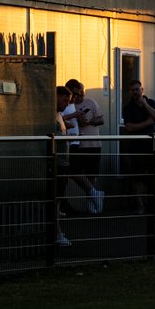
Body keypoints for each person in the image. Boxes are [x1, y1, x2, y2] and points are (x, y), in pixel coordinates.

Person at [121, 79, 155, 214]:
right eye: (132, 90)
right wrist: (147, 123)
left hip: (151, 144)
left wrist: (145, 105)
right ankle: (140, 205)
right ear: (129, 92)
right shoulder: (128, 108)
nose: (135, 92)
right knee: (137, 177)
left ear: (142, 90)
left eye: (137, 89)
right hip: (136, 146)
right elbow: (129, 127)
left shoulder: (150, 102)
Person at [65, 79, 104, 214]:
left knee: (91, 174)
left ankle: (91, 204)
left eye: (81, 93)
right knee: (74, 172)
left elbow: (101, 119)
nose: (79, 96)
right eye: (76, 94)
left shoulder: (91, 102)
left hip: (92, 143)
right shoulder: (67, 104)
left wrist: (90, 121)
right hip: (76, 144)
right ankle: (94, 196)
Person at [54, 86, 72, 248]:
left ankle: (57, 231)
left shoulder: (59, 115)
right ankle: (57, 233)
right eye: (64, 100)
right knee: (55, 201)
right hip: (57, 164)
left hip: (63, 163)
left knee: (58, 201)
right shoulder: (51, 116)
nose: (66, 104)